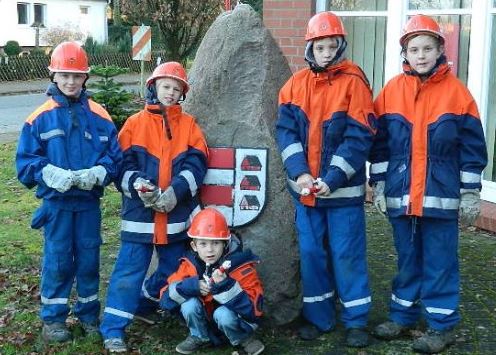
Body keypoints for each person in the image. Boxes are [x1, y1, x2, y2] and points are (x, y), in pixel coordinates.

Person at [369, 15, 488, 354]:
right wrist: (378, 184)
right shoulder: (391, 91)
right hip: (402, 196)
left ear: (440, 50)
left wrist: (469, 193)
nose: (420, 55)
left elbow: (473, 149)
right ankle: (402, 316)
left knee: (439, 261)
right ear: (404, 53)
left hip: (441, 197)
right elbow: (379, 144)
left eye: (427, 48)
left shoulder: (458, 94)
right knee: (407, 260)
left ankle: (441, 325)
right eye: (414, 49)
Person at [275, 12, 376, 348]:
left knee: (347, 254)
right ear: (310, 47)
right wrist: (301, 173)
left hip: (343, 192)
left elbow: (360, 136)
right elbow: (286, 134)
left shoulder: (355, 82)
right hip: (306, 194)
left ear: (341, 46)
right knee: (311, 253)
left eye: (332, 45)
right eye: (320, 45)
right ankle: (319, 317)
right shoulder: (294, 85)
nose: (326, 51)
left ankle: (356, 320)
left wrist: (332, 178)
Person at [15, 41, 122, 342]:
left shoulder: (100, 115)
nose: (71, 82)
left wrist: (100, 172)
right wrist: (46, 172)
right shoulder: (40, 117)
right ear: (53, 76)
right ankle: (53, 320)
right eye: (64, 75)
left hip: (88, 205)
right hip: (57, 206)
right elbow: (25, 164)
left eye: (76, 76)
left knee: (89, 260)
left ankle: (89, 315)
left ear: (85, 77)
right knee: (59, 261)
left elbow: (114, 157)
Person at [100, 61, 209, 353]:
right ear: (154, 87)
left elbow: (197, 164)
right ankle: (113, 331)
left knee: (176, 269)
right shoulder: (134, 124)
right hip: (140, 219)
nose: (171, 93)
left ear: (182, 94)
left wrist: (176, 191)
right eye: (166, 87)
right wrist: (138, 186)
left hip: (175, 221)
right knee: (127, 273)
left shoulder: (189, 126)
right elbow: (120, 166)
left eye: (176, 89)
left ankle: (145, 301)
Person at [159, 207, 265, 355]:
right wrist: (192, 286)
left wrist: (225, 286)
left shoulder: (240, 266)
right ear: (194, 246)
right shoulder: (188, 265)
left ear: (225, 243)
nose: (209, 250)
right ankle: (199, 336)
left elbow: (254, 310)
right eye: (203, 244)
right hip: (206, 321)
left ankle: (244, 339)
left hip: (233, 321)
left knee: (223, 314)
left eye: (215, 243)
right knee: (189, 305)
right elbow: (165, 298)